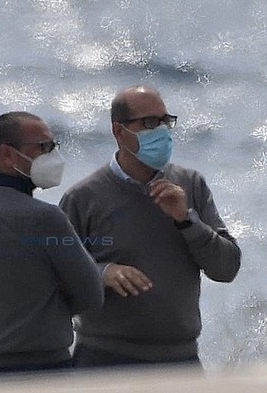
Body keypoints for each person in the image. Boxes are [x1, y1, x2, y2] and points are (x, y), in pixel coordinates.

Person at [59, 85, 241, 367]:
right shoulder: (83, 198)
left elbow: (227, 268)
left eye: (165, 121)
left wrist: (186, 220)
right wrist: (102, 272)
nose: (161, 131)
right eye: (149, 123)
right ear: (119, 132)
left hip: (180, 359)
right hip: (103, 359)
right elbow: (56, 278)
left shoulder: (191, 185)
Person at [0, 111, 103, 377]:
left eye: (53, 146)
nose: (53, 156)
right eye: (43, 147)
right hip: (44, 366)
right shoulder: (45, 218)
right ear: (7, 155)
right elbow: (91, 293)